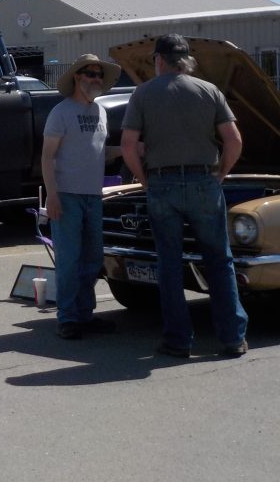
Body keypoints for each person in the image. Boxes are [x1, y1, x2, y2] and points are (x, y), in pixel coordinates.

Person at [121, 34, 248, 358]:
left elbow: (127, 146)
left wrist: (144, 179)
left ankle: (178, 339)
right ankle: (232, 337)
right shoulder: (209, 91)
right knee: (219, 260)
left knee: (170, 263)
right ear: (186, 61)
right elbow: (233, 140)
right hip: (204, 181)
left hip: (162, 185)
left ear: (158, 60)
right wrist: (221, 172)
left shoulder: (143, 94)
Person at [41, 54, 122, 340]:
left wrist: (128, 149)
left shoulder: (101, 112)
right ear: (77, 76)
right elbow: (47, 156)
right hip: (67, 195)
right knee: (69, 259)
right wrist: (52, 195)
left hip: (93, 196)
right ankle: (68, 318)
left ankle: (85, 315)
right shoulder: (61, 112)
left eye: (99, 75)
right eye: (90, 74)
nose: (96, 79)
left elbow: (99, 151)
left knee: (92, 259)